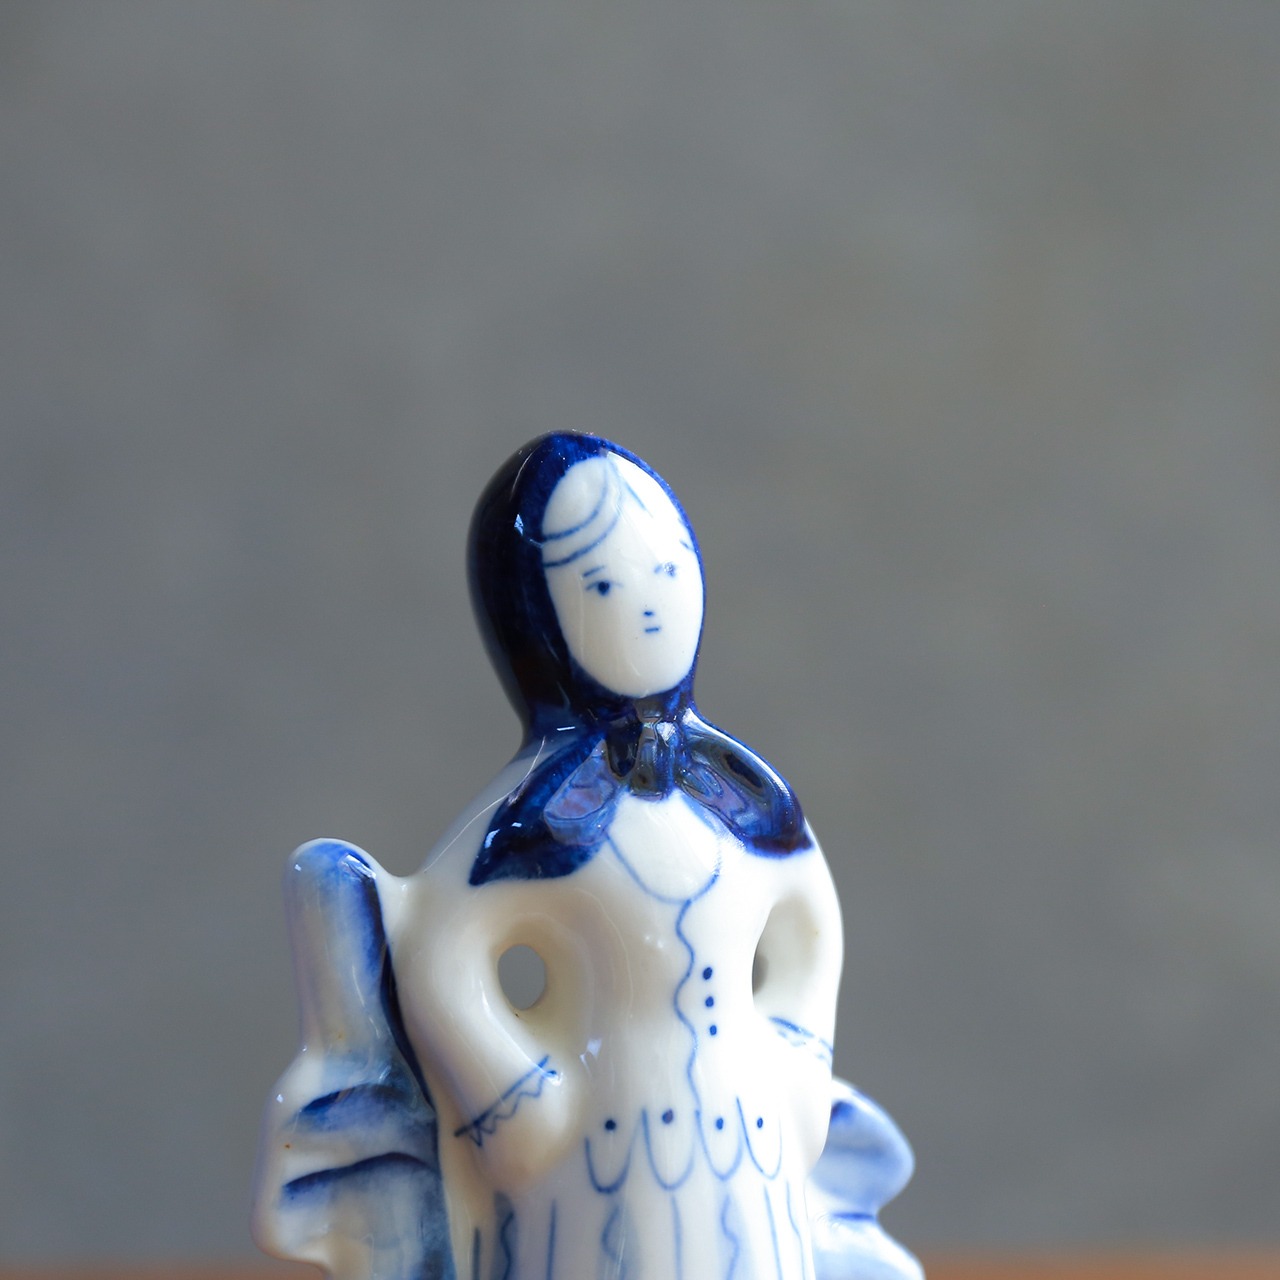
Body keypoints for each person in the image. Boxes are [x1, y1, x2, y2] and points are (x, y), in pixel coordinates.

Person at [254, 433, 919, 1280]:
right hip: (603, 1125)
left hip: (745, 1112)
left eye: (668, 571)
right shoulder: (532, 817)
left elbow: (807, 922)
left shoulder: (743, 792)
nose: (649, 602)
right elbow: (441, 953)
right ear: (534, 619)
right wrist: (517, 1098)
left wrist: (799, 1051)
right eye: (603, 585)